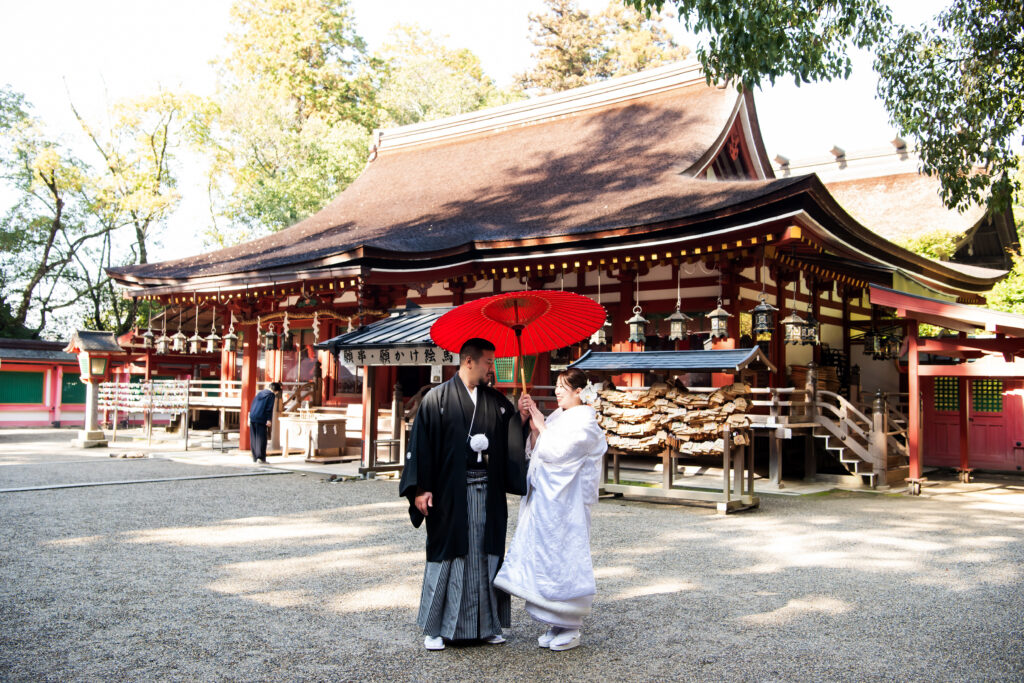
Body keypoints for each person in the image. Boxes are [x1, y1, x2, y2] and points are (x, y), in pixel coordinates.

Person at [398, 338, 531, 651]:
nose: (491, 368)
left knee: (486, 555)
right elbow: (422, 445)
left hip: (487, 491)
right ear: (469, 361)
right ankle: (435, 628)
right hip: (449, 494)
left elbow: (510, 438)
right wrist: (421, 487)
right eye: (488, 362)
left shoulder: (497, 402)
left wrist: (521, 418)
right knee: (448, 554)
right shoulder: (437, 399)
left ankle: (487, 625)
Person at [494, 368, 607, 652]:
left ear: (579, 392)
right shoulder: (560, 416)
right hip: (546, 502)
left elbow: (561, 454)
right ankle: (554, 622)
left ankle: (570, 626)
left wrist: (542, 427)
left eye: (563, 387)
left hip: (566, 506)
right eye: (556, 385)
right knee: (545, 556)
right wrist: (534, 430)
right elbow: (538, 452)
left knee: (564, 556)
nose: (557, 391)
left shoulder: (587, 422)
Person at [248, 382, 282, 463]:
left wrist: (249, 416)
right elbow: (269, 408)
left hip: (253, 416)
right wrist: (268, 419)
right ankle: (261, 458)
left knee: (254, 438)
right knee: (261, 438)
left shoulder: (260, 393)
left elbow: (253, 404)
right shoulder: (271, 395)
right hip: (261, 417)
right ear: (276, 390)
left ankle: (255, 457)